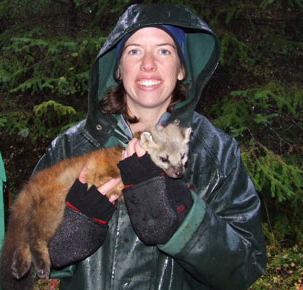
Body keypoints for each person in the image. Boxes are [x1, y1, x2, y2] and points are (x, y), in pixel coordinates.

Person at [33, 3, 267, 289]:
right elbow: (21, 252)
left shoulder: (216, 153)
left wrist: (183, 224)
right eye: (134, 51)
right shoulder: (72, 147)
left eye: (164, 50)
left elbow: (246, 265)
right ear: (118, 69)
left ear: (182, 69)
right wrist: (67, 235)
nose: (148, 64)